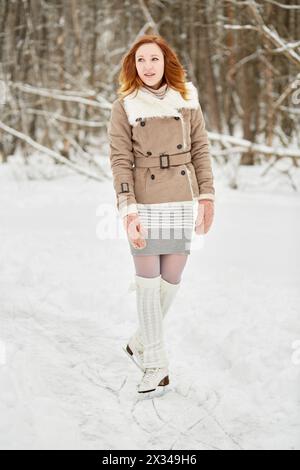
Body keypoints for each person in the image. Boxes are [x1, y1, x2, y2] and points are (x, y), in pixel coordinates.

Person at [108, 34, 215, 394]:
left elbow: (200, 149)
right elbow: (120, 161)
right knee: (147, 281)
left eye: (153, 59)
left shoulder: (187, 98)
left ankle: (139, 340)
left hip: (182, 198)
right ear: (133, 66)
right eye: (140, 61)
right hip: (145, 200)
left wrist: (207, 197)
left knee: (171, 279)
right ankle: (155, 363)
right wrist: (128, 211)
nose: (147, 66)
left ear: (165, 61)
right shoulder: (125, 105)